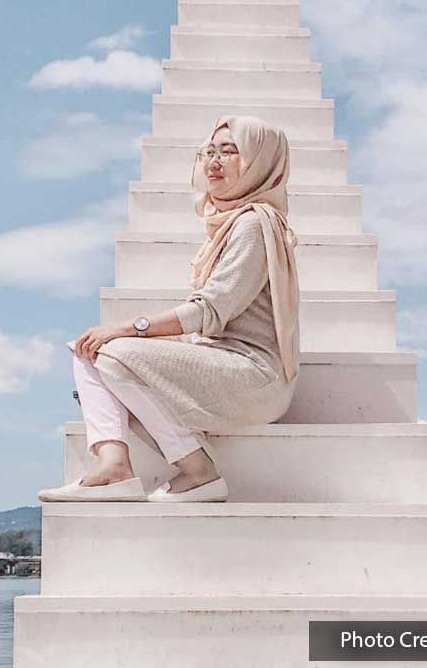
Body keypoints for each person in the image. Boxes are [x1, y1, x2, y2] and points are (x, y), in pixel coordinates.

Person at [38, 114, 301, 503]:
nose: (213, 162)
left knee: (111, 353)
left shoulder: (253, 226)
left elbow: (209, 310)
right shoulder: (227, 225)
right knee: (88, 352)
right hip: (222, 364)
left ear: (261, 162)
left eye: (229, 152)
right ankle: (113, 465)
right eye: (208, 151)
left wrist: (127, 328)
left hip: (254, 376)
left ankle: (198, 471)